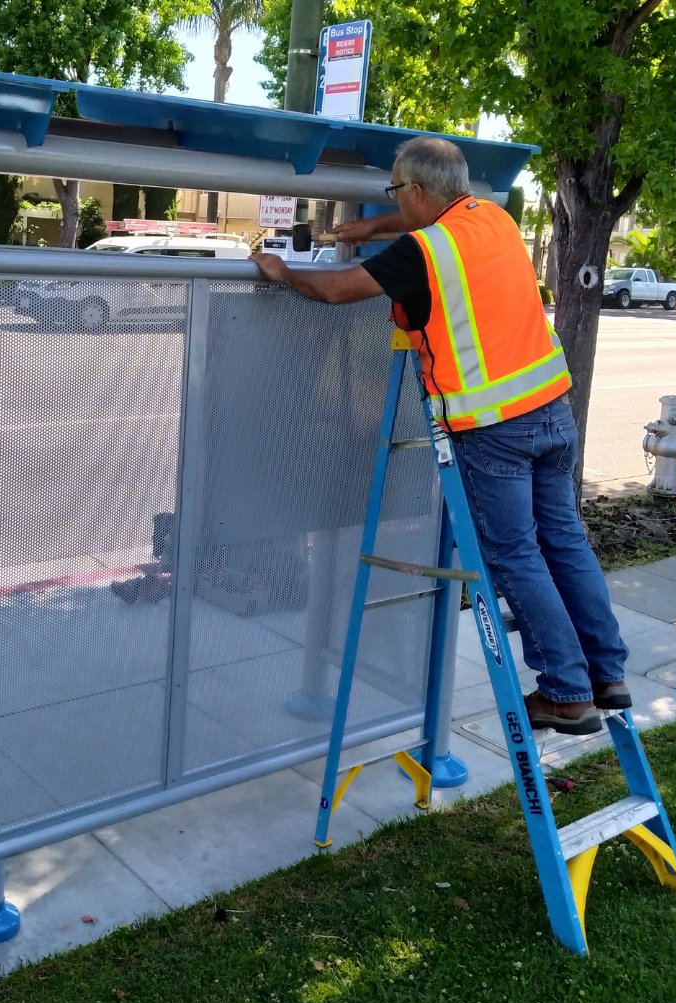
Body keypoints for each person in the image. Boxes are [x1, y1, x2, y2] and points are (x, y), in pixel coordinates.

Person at [251, 136, 629, 737]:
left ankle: (565, 690)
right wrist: (371, 229)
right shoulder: (495, 219)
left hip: (493, 425)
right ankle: (607, 674)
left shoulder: (424, 250)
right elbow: (423, 221)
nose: (395, 202)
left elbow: (335, 290)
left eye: (396, 191)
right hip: (553, 410)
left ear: (419, 191)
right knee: (563, 539)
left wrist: (278, 269)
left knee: (515, 554)